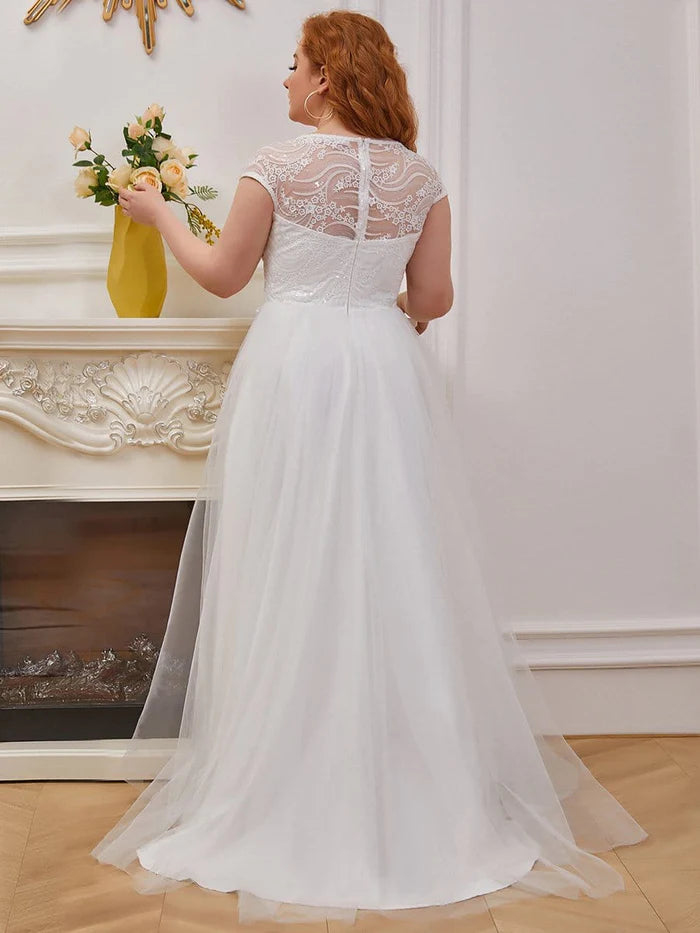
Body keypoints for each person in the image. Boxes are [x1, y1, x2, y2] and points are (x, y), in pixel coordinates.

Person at [92, 9, 648, 927]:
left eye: (294, 63)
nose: (284, 77)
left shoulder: (275, 166)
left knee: (286, 566)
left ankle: (286, 779)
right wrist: (378, 308)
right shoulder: (420, 178)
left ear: (323, 76)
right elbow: (433, 296)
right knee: (391, 568)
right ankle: (406, 787)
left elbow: (224, 275)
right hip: (384, 373)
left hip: (293, 370)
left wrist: (157, 214)